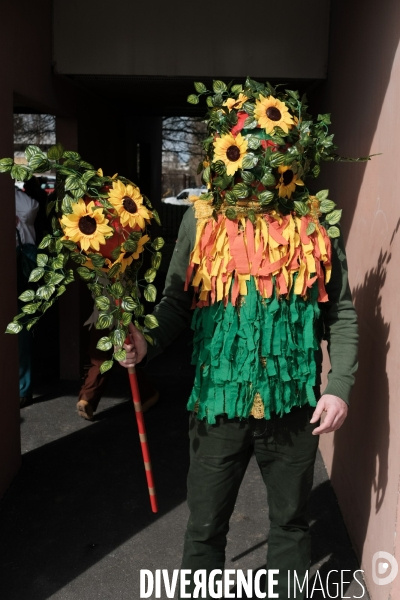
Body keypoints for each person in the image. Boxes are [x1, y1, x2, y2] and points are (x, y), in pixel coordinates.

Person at [15, 186, 39, 407]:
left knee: (21, 327)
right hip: (18, 268)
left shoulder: (17, 199)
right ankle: (23, 387)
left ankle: (23, 387)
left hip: (18, 269)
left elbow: (30, 208)